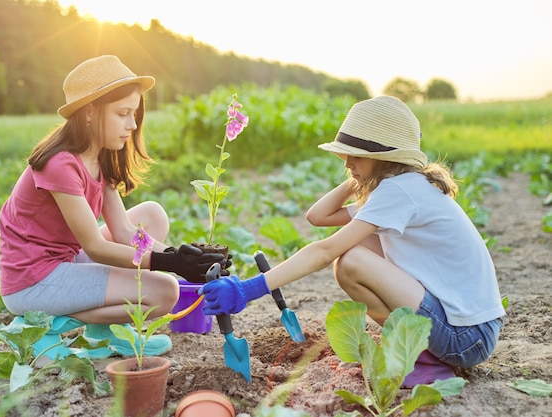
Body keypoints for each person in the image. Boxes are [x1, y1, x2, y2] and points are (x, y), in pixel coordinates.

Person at [201, 95, 505, 387]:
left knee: (350, 260)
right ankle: (420, 353)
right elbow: (318, 216)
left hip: (464, 338)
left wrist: (249, 288)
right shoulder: (404, 186)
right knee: (360, 250)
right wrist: (358, 175)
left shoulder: (398, 192)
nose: (347, 162)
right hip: (473, 331)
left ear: (383, 159)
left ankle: (426, 363)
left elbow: (326, 249)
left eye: (355, 156)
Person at [0, 55, 228, 358]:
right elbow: (95, 246)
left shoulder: (100, 157)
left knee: (151, 215)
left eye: (133, 114)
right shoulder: (60, 164)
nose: (132, 125)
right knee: (164, 293)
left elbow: (124, 230)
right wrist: (169, 263)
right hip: (33, 282)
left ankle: (103, 332)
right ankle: (40, 324)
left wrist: (187, 257)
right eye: (123, 113)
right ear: (90, 112)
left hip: (63, 261)